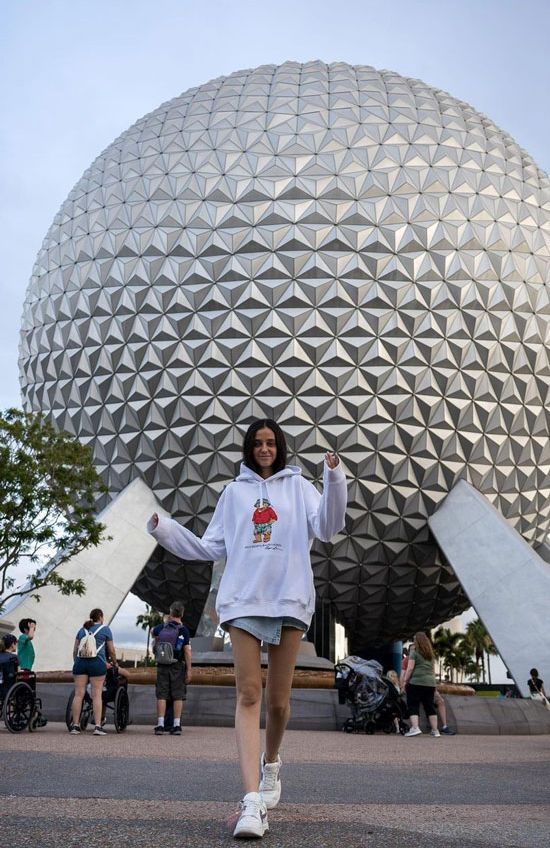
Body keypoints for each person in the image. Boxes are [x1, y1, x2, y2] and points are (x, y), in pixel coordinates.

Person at [148, 418, 347, 838]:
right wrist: (163, 528)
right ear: (247, 448)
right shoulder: (234, 493)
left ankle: (271, 763)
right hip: (241, 600)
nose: (264, 449)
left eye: (271, 442)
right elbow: (208, 547)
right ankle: (252, 801)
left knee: (278, 702)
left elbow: (328, 528)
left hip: (289, 597)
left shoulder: (298, 487)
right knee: (248, 693)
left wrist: (333, 478)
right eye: (257, 443)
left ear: (281, 447)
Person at [70, 608, 117, 736]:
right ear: (100, 617)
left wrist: (76, 662)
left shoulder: (82, 630)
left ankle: (75, 726)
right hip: (97, 663)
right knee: (97, 695)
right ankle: (97, 726)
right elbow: (111, 650)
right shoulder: (105, 630)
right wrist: (115, 663)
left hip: (80, 663)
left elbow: (75, 650)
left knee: (78, 694)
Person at [151, 601, 192, 736]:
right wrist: (189, 669)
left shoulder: (161, 627)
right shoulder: (183, 630)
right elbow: (187, 651)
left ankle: (160, 724)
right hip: (177, 665)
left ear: (171, 612)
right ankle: (176, 725)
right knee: (177, 696)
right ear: (182, 614)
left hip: (162, 664)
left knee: (162, 695)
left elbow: (153, 632)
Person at [402, 631, 440, 738]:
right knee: (429, 706)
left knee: (413, 704)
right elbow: (432, 670)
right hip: (430, 683)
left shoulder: (414, 652)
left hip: (416, 682)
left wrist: (405, 681)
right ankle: (435, 730)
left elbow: (409, 668)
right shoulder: (430, 654)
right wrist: (435, 685)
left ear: (416, 641)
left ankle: (415, 728)